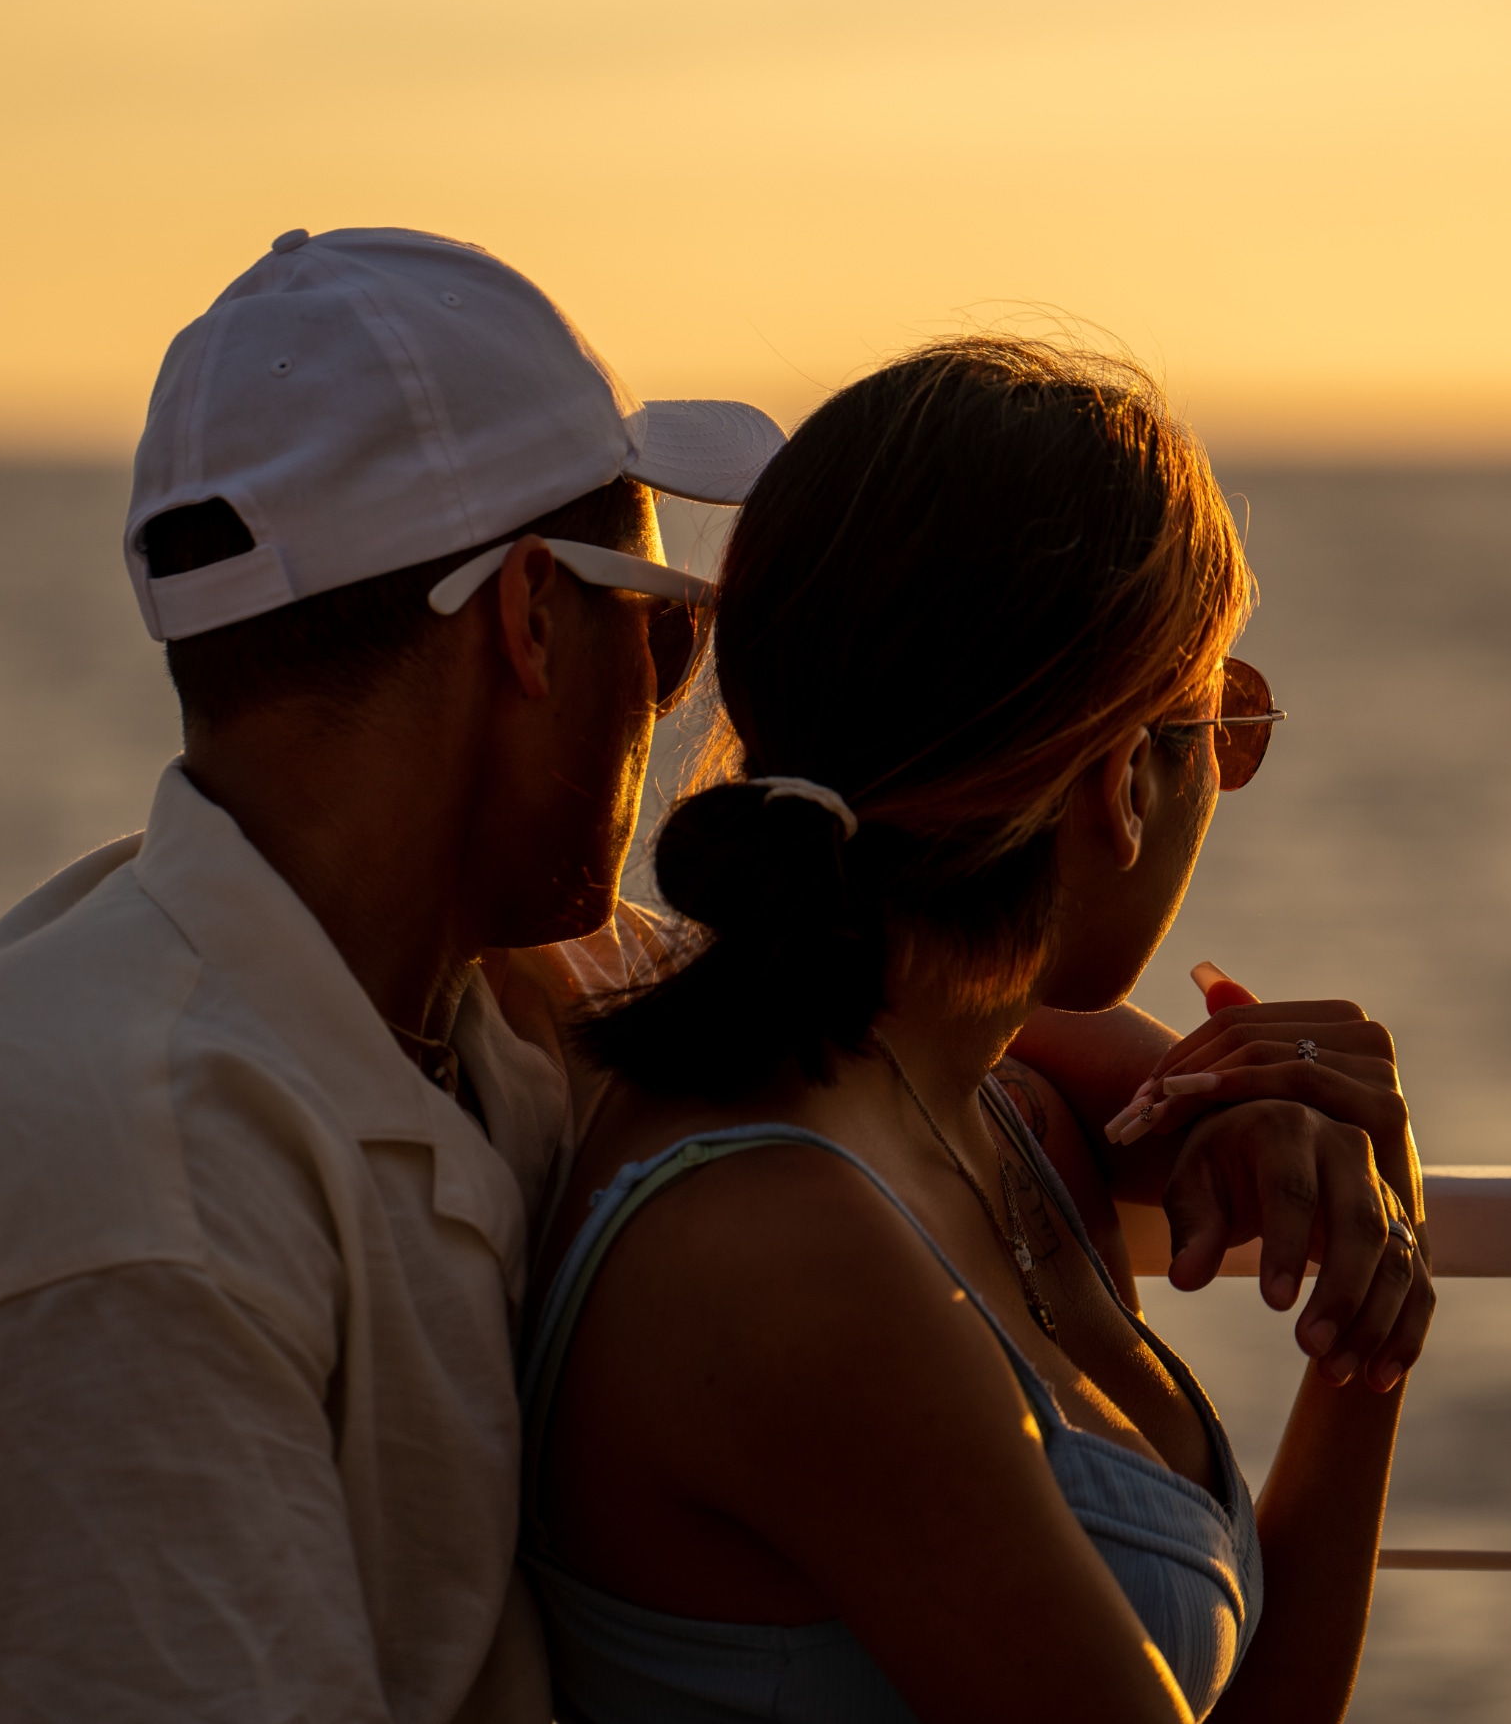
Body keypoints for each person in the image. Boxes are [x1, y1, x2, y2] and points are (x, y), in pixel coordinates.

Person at [0, 229, 1423, 1723]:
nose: (685, 693)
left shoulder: (473, 997)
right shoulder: (124, 1215)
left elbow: (899, 1002)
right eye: (664, 624)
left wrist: (1204, 1100)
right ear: (528, 623)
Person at [528, 336, 1429, 1724]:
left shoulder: (990, 1113)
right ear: (1124, 781)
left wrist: (1361, 1297)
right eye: (1223, 724)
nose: (1222, 775)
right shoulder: (785, 1254)